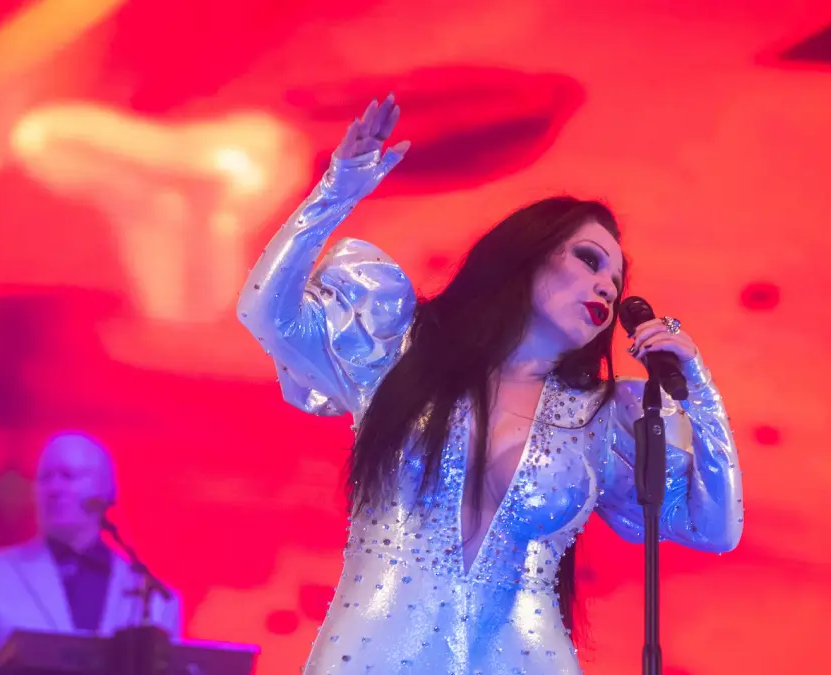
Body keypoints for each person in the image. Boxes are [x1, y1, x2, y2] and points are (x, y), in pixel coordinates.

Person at [236, 94, 743, 673]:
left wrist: (697, 386)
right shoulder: (401, 350)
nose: (608, 286)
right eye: (589, 260)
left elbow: (715, 527)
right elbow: (265, 312)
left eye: (616, 279)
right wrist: (338, 189)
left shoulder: (602, 418)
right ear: (528, 254)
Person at [0, 432, 182, 675]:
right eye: (45, 478)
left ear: (106, 490)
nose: (55, 488)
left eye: (69, 476)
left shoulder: (156, 600)